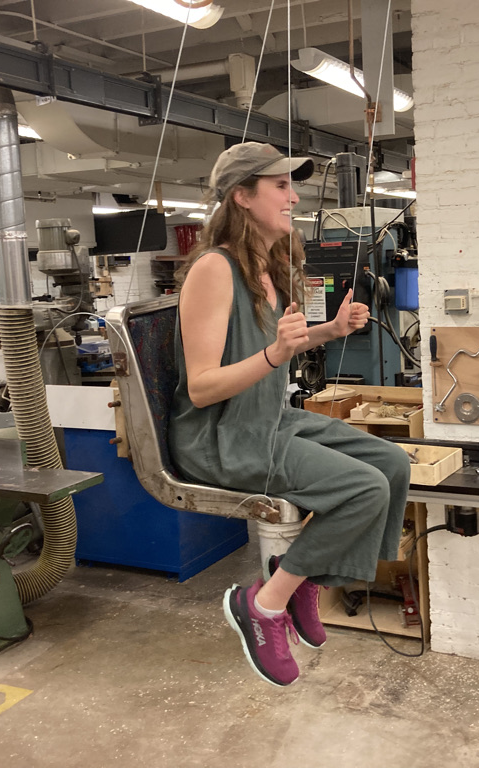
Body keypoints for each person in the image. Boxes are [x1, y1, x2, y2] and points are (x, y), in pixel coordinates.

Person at [168, 142, 411, 687]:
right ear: (242, 197)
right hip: (222, 436)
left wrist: (329, 331)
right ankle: (264, 604)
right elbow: (203, 388)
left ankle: (305, 578)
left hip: (269, 420)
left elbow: (273, 348)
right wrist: (276, 353)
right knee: (363, 489)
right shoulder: (214, 270)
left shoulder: (269, 267)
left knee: (392, 467)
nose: (293, 196)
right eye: (280, 185)